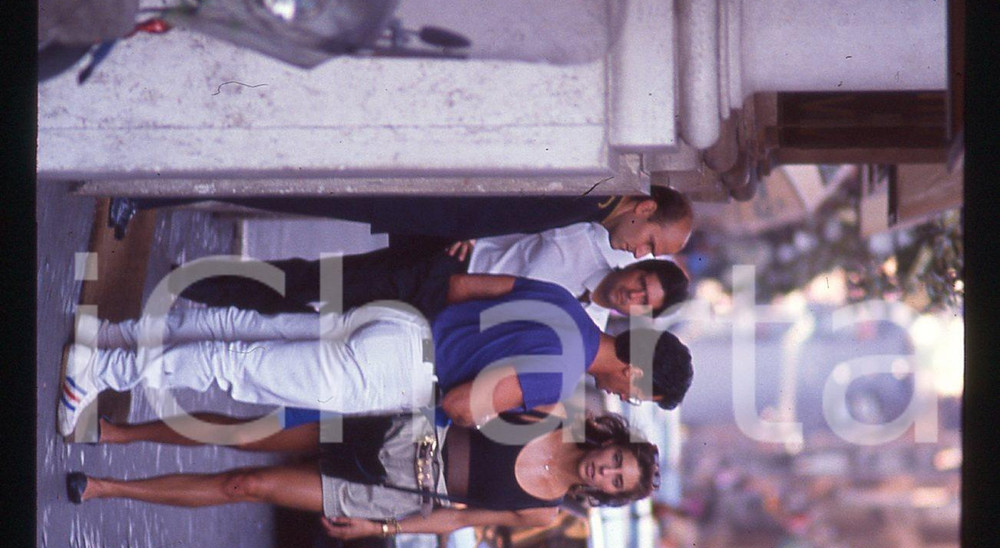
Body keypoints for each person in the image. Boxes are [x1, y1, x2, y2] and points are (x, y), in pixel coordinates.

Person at [57, 274, 695, 441]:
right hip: (405, 374)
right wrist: (525, 413)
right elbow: (458, 406)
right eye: (643, 395)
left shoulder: (566, 306)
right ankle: (98, 371)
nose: (631, 401)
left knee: (251, 329)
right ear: (637, 372)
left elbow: (467, 288)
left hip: (406, 323)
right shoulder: (561, 373)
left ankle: (110, 337)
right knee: (240, 365)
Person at [67, 408, 661, 543]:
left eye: (615, 481)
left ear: (606, 495)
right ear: (611, 443)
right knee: (244, 430)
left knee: (245, 486)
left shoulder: (543, 511)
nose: (606, 471)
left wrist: (381, 533)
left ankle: (107, 488)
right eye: (616, 461)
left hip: (390, 494)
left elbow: (456, 521)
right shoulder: (549, 416)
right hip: (395, 430)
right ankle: (123, 433)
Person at [176, 243, 690, 334]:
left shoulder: (585, 329)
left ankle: (204, 306)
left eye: (645, 303)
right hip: (435, 273)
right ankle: (204, 283)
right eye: (642, 283)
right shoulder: (583, 241)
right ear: (637, 268)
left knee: (316, 321)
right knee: (317, 281)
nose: (634, 296)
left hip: (436, 324)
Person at [106, 186, 695, 259]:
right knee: (286, 185)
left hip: (425, 211)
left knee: (292, 194)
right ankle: (148, 191)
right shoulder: (590, 189)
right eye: (650, 243)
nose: (639, 252)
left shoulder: (592, 212)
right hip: (422, 191)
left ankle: (153, 194)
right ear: (644, 209)